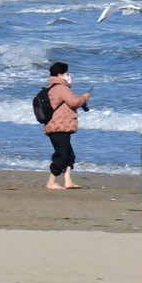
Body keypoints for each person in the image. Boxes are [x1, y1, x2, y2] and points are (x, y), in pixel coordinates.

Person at [43, 61, 90, 191]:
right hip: (58, 126)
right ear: (60, 75)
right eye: (67, 74)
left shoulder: (55, 88)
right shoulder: (60, 88)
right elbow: (74, 102)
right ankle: (51, 182)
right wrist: (84, 98)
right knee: (62, 155)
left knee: (69, 155)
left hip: (60, 125)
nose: (69, 76)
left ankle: (68, 181)